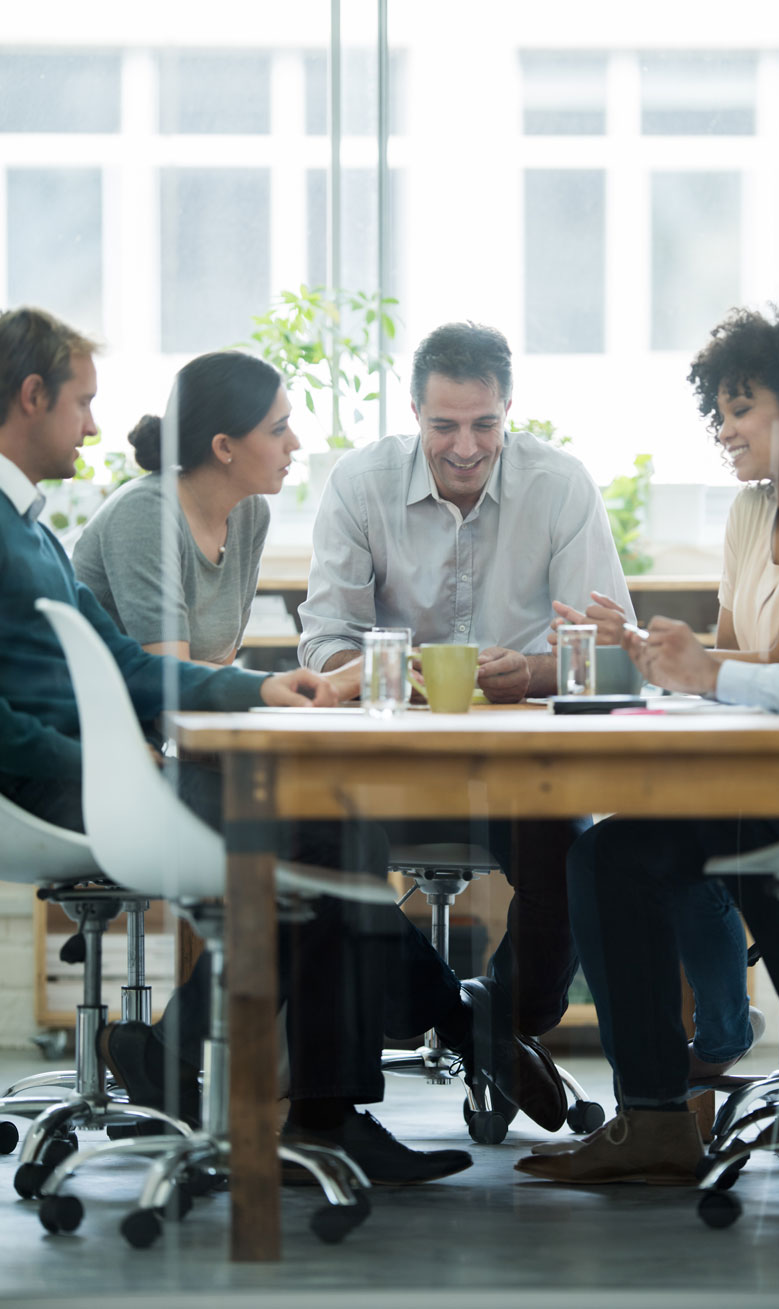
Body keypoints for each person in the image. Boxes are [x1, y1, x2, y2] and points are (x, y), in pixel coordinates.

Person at [0, 306, 472, 1185]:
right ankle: (384, 1080)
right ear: (32, 398)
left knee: (324, 829)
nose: (97, 426)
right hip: (53, 790)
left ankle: (240, 1072)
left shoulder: (29, 527)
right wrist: (113, 764)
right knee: (322, 832)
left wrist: (262, 687)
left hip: (96, 776)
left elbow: (132, 666)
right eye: (81, 403)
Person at [518, 347, 779, 1185]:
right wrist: (688, 663)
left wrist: (713, 672)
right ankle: (658, 1116)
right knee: (612, 853)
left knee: (760, 841)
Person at [298, 320, 633, 1128]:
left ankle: (505, 1019)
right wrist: (389, 675)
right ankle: (462, 1024)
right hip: (391, 767)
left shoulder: (560, 485)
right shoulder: (359, 482)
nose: (465, 446)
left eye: (485, 423)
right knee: (318, 851)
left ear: (509, 408)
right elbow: (323, 639)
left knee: (574, 852)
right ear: (414, 411)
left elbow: (614, 655)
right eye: (444, 425)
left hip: (519, 773)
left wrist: (536, 674)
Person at [549, 308, 779, 1085]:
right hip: (759, 777)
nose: (725, 430)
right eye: (721, 413)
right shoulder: (747, 511)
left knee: (627, 853)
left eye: (741, 409)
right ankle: (660, 1107)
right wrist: (642, 648)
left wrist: (682, 660)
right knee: (609, 851)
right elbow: (734, 650)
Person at [73, 350, 298, 667]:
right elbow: (170, 677)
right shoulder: (146, 512)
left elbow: (220, 664)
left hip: (180, 713)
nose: (295, 442)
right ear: (223, 447)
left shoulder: (250, 512)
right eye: (278, 429)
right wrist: (273, 687)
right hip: (110, 713)